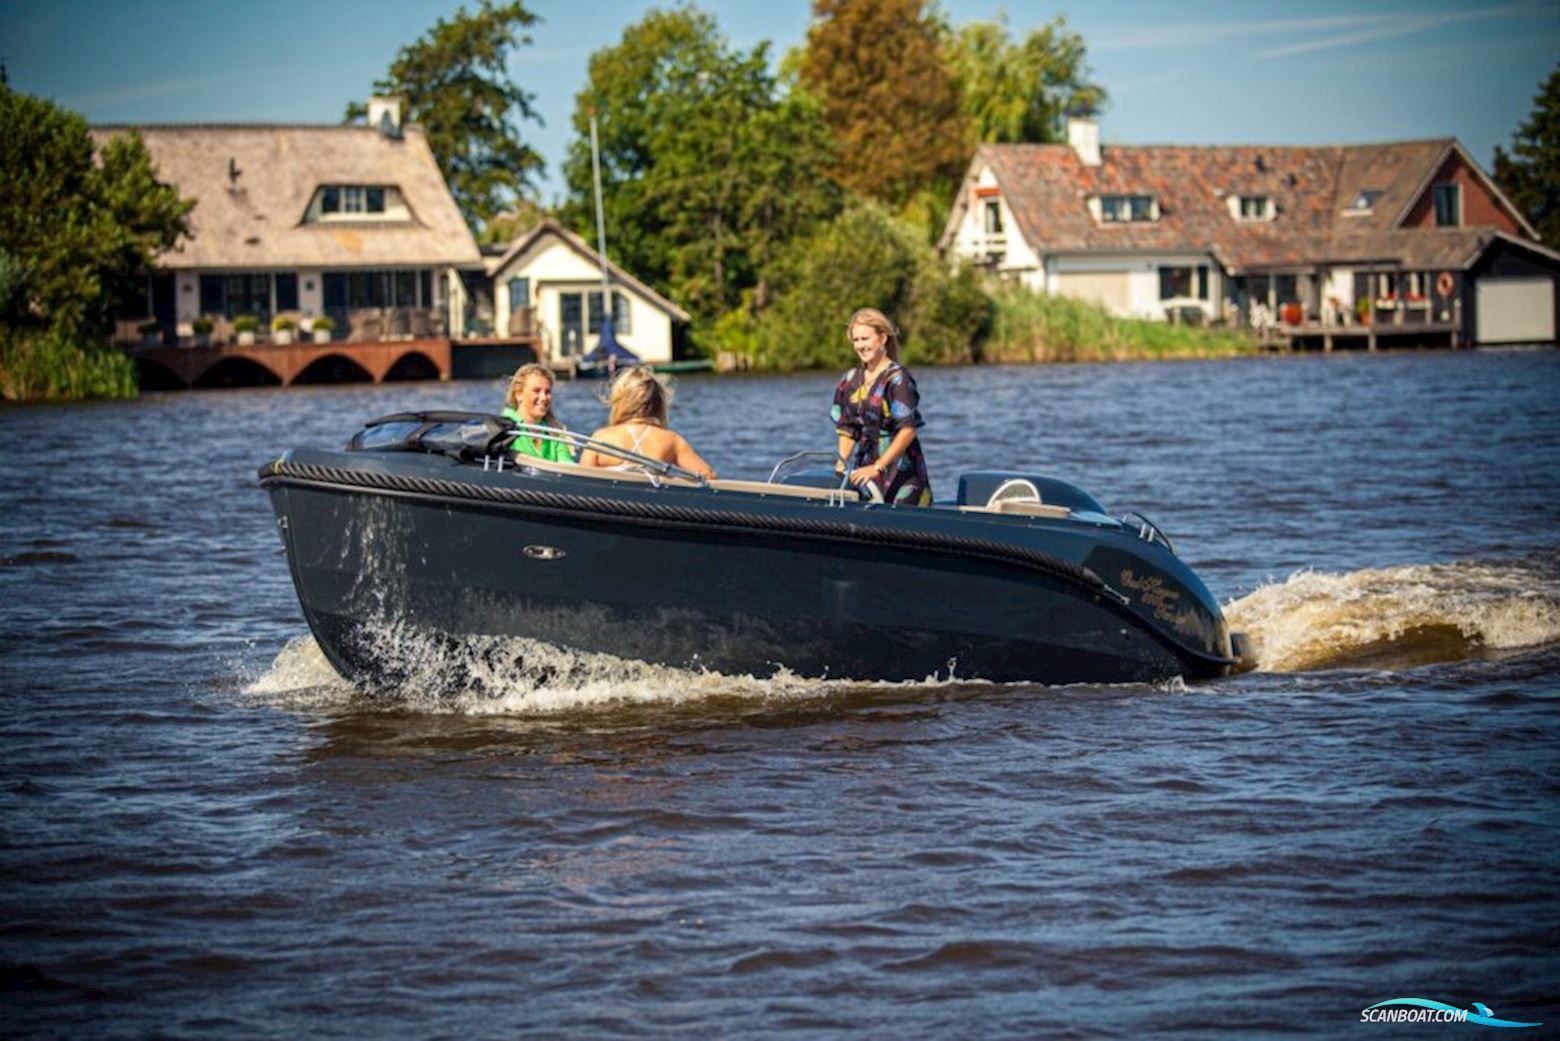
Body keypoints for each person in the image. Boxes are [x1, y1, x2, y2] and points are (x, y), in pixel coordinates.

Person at [831, 307, 932, 506]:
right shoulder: (850, 380)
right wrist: (840, 468)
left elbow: (908, 430)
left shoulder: (898, 378)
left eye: (865, 339)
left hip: (900, 471)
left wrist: (878, 467)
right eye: (856, 340)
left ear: (882, 338)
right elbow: (847, 429)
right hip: (863, 470)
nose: (860, 346)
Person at [578, 366, 716, 478]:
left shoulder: (601, 438)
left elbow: (581, 479)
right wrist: (670, 480)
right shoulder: (671, 441)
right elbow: (708, 475)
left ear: (619, 402)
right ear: (659, 403)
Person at [502, 362, 575, 463]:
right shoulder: (503, 429)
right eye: (536, 391)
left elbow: (566, 464)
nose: (543, 397)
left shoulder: (555, 432)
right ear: (519, 394)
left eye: (547, 392)